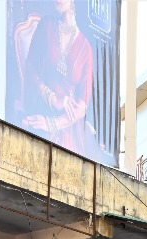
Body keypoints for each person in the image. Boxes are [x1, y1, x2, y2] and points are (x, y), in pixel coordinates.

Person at [16, 0, 92, 153]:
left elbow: (82, 107)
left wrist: (53, 123)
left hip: (67, 123)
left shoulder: (86, 48)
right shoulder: (47, 26)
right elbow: (30, 67)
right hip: (40, 105)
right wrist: (52, 98)